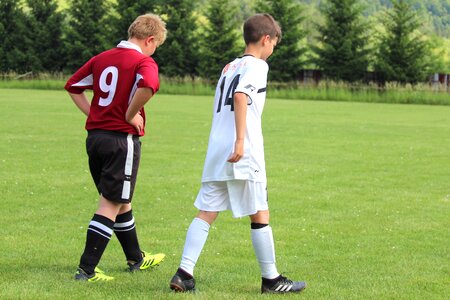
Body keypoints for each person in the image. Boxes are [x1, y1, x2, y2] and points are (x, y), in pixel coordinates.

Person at [169, 13, 306, 294]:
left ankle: (184, 273)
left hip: (217, 149)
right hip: (241, 149)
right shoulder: (258, 66)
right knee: (260, 212)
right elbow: (241, 96)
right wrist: (241, 141)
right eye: (274, 45)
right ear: (266, 39)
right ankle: (271, 279)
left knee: (207, 211)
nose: (272, 51)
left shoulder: (229, 67)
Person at [64, 13, 167, 282]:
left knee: (121, 200)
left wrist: (93, 114)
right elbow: (150, 85)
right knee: (110, 203)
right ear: (150, 39)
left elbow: (73, 86)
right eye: (156, 46)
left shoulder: (103, 58)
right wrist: (130, 114)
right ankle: (86, 270)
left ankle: (136, 258)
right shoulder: (143, 61)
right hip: (121, 140)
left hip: (95, 138)